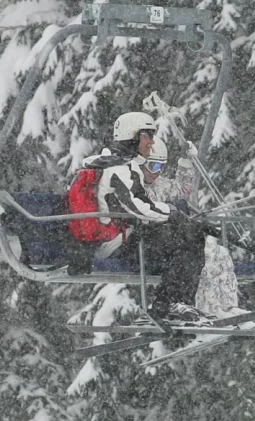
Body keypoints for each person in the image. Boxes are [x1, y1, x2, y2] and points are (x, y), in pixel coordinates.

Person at [85, 111, 207, 322]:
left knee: (188, 237)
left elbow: (143, 203)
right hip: (115, 245)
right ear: (130, 136)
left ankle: (169, 304)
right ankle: (169, 303)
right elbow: (137, 205)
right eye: (146, 135)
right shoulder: (115, 167)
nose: (151, 142)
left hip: (125, 238)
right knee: (186, 238)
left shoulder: (125, 165)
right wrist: (172, 213)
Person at [141, 141, 242, 317]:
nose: (157, 172)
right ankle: (187, 304)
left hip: (170, 238)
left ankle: (226, 305)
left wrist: (185, 162)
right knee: (195, 253)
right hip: (152, 240)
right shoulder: (134, 187)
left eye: (161, 167)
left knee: (219, 252)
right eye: (153, 165)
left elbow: (183, 188)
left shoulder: (160, 185)